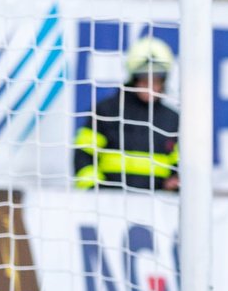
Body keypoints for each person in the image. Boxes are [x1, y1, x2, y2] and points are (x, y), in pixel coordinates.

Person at [74, 36, 180, 191]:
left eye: (157, 79)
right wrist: (95, 189)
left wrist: (174, 182)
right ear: (134, 79)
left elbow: (177, 163)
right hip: (107, 203)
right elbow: (83, 154)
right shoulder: (106, 111)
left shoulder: (172, 118)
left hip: (156, 205)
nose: (150, 86)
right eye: (144, 79)